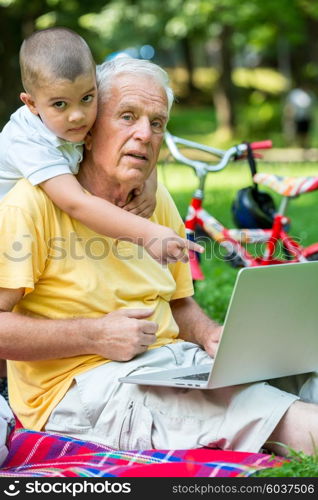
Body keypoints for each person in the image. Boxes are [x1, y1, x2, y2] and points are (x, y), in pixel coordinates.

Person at [1, 56, 318, 457]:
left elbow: (178, 301)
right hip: (83, 388)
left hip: (174, 364)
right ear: (90, 128)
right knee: (265, 412)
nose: (145, 135)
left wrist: (208, 335)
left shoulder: (154, 200)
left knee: (303, 369)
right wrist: (93, 335)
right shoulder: (29, 205)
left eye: (156, 123)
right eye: (127, 116)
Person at [0, 27, 202, 266]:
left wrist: (149, 181)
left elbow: (137, 138)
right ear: (31, 103)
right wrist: (147, 233)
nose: (77, 116)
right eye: (60, 104)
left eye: (87, 98)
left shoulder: (67, 119)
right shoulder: (27, 141)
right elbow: (76, 203)